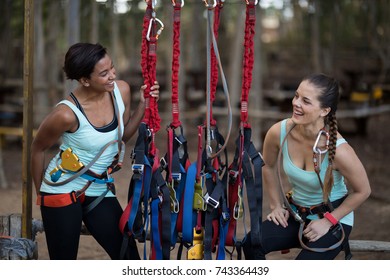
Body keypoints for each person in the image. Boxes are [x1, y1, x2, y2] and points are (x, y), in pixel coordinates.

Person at [30, 42, 160, 260]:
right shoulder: (65, 114)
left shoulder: (122, 91)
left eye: (112, 68)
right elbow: (37, 149)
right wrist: (41, 196)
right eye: (104, 73)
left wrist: (144, 105)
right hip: (62, 188)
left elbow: (122, 137)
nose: (112, 75)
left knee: (127, 256)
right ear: (84, 80)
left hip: (99, 187)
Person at [243, 73, 371, 260]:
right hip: (297, 215)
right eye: (296, 96)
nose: (296, 103)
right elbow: (267, 166)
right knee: (251, 243)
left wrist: (329, 221)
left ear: (324, 111)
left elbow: (363, 190)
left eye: (306, 101)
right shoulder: (279, 131)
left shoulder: (339, 150)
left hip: (334, 219)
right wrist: (276, 206)